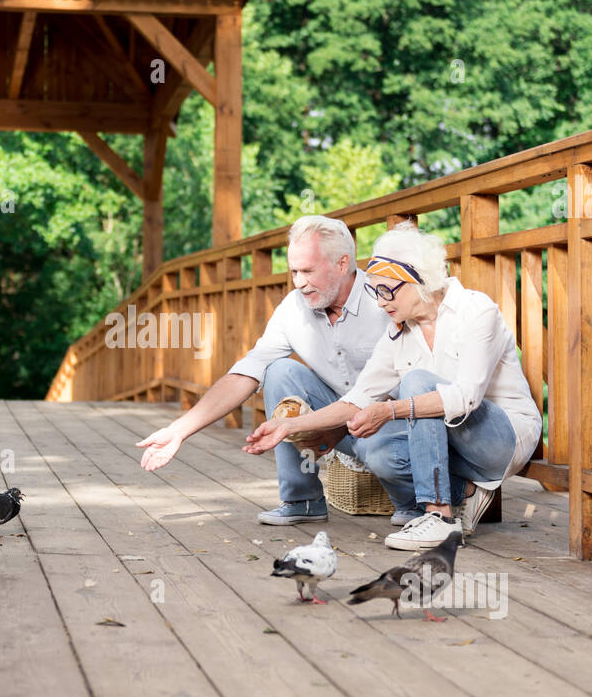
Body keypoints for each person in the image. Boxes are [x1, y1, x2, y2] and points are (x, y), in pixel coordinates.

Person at [244, 221, 542, 550]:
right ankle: (466, 493)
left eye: (388, 291)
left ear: (419, 279)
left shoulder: (475, 310)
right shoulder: (398, 331)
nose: (381, 302)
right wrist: (288, 426)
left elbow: (465, 398)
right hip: (449, 447)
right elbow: (359, 398)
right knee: (381, 454)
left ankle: (439, 516)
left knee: (416, 382)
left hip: (500, 439)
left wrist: (390, 411)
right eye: (375, 291)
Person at [135, 214, 399, 525]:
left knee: (388, 459)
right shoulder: (292, 308)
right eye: (294, 272)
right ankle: (302, 501)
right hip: (334, 424)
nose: (299, 283)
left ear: (342, 264)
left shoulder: (385, 298)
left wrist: (336, 425)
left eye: (308, 271)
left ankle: (421, 506)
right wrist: (178, 431)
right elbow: (246, 372)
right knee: (279, 371)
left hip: (390, 423)